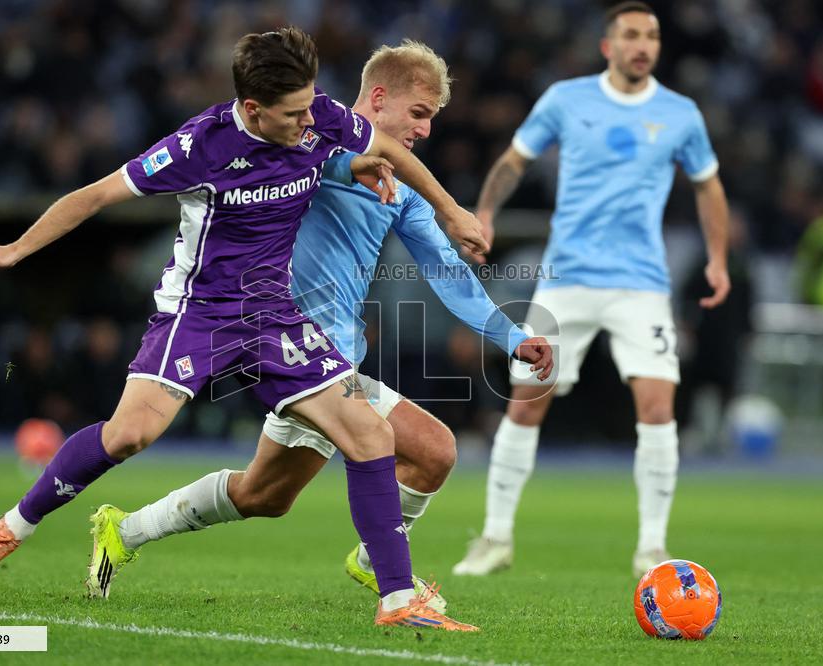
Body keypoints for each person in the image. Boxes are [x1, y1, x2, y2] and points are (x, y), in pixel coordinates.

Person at [0, 27, 490, 631]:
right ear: (253, 109)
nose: (309, 122)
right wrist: (16, 250)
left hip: (273, 314)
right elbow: (96, 195)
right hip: (199, 312)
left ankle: (396, 601)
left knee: (369, 436)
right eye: (293, 114)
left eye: (311, 106)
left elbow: (390, 149)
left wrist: (447, 207)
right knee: (129, 436)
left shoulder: (320, 116)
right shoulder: (198, 147)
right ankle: (9, 528)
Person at [88, 39, 552, 618]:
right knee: (433, 449)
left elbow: (445, 269)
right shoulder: (304, 144)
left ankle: (124, 533)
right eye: (420, 113)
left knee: (265, 496)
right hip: (279, 346)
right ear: (378, 99)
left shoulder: (400, 188)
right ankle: (386, 570)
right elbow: (276, 151)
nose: (427, 131)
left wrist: (511, 337)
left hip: (335, 360)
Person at [452, 2, 731, 578]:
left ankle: (652, 547)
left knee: (658, 409)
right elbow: (513, 160)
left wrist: (719, 257)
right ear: (608, 46)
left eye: (651, 36)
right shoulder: (566, 99)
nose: (642, 45)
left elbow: (708, 187)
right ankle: (495, 538)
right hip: (567, 279)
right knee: (526, 402)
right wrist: (483, 211)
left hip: (641, 285)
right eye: (630, 35)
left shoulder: (681, 114)